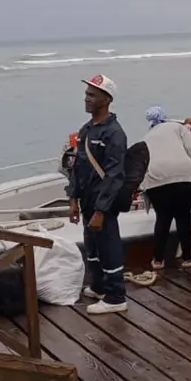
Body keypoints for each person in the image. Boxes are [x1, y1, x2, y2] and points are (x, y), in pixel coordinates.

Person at [67, 74, 129, 315]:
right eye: (86, 94)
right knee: (91, 245)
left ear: (106, 99)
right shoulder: (87, 130)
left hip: (104, 201)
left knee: (108, 244)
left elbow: (115, 175)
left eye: (92, 95)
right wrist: (73, 198)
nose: (87, 99)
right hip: (87, 200)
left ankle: (115, 296)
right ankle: (98, 285)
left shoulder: (114, 133)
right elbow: (77, 166)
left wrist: (102, 210)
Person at [140, 106, 191, 271]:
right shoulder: (178, 128)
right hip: (182, 176)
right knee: (183, 217)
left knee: (162, 218)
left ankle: (158, 260)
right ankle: (187, 257)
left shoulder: (146, 137)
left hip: (155, 179)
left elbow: (141, 162)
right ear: (164, 117)